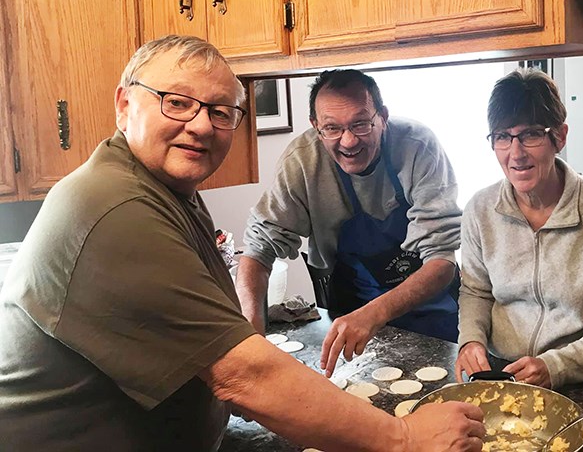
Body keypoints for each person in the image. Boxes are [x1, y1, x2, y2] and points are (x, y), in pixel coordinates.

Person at [0, 36, 485, 451]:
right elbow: (244, 372)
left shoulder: (167, 194)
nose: (201, 125)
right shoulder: (114, 207)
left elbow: (441, 257)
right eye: (177, 102)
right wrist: (403, 439)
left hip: (425, 306)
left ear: (382, 118)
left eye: (219, 111)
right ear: (125, 104)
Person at [239, 69, 462, 377]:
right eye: (332, 127)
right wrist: (250, 340)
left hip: (433, 312)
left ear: (382, 117)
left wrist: (375, 314)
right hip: (351, 309)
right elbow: (257, 250)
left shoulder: (416, 146)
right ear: (316, 127)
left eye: (360, 124)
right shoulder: (304, 162)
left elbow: (442, 260)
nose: (347, 141)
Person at [455, 69, 583, 388]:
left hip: (580, 377)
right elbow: (475, 290)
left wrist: (557, 366)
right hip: (498, 372)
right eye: (502, 136)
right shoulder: (480, 210)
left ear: (560, 136)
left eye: (530, 135)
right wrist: (471, 341)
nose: (515, 153)